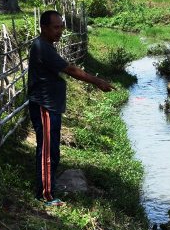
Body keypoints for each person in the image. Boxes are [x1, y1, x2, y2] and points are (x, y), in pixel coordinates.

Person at [28, 10, 115, 206]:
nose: (60, 31)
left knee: (52, 150)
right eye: (56, 27)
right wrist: (97, 81)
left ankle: (48, 189)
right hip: (45, 106)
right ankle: (45, 195)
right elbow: (71, 69)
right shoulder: (42, 47)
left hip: (51, 106)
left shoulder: (47, 45)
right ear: (44, 28)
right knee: (48, 152)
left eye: (61, 27)